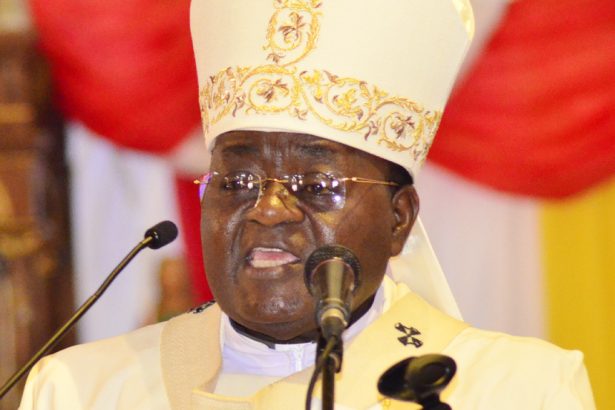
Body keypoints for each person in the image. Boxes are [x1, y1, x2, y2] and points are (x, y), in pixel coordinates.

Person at [19, 0, 595, 408]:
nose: (268, 209)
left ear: (399, 219)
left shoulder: (515, 388)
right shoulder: (81, 391)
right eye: (237, 181)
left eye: (318, 186)